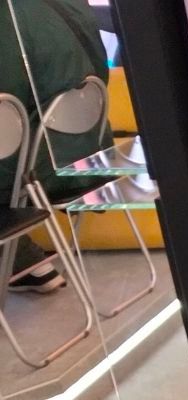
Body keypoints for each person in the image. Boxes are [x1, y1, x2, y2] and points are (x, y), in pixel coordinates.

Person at [0, 0, 111, 293]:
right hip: (89, 150)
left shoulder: (8, 18)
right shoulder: (69, 5)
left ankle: (21, 260)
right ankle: (23, 263)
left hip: (38, 169)